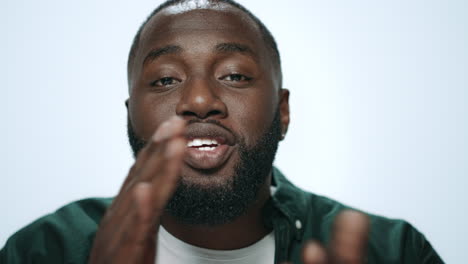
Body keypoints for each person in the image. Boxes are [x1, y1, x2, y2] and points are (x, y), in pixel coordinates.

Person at [0, 0, 443, 263]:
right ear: (130, 114)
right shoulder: (45, 250)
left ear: (282, 112)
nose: (198, 100)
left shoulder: (391, 251)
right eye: (165, 80)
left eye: (233, 75)